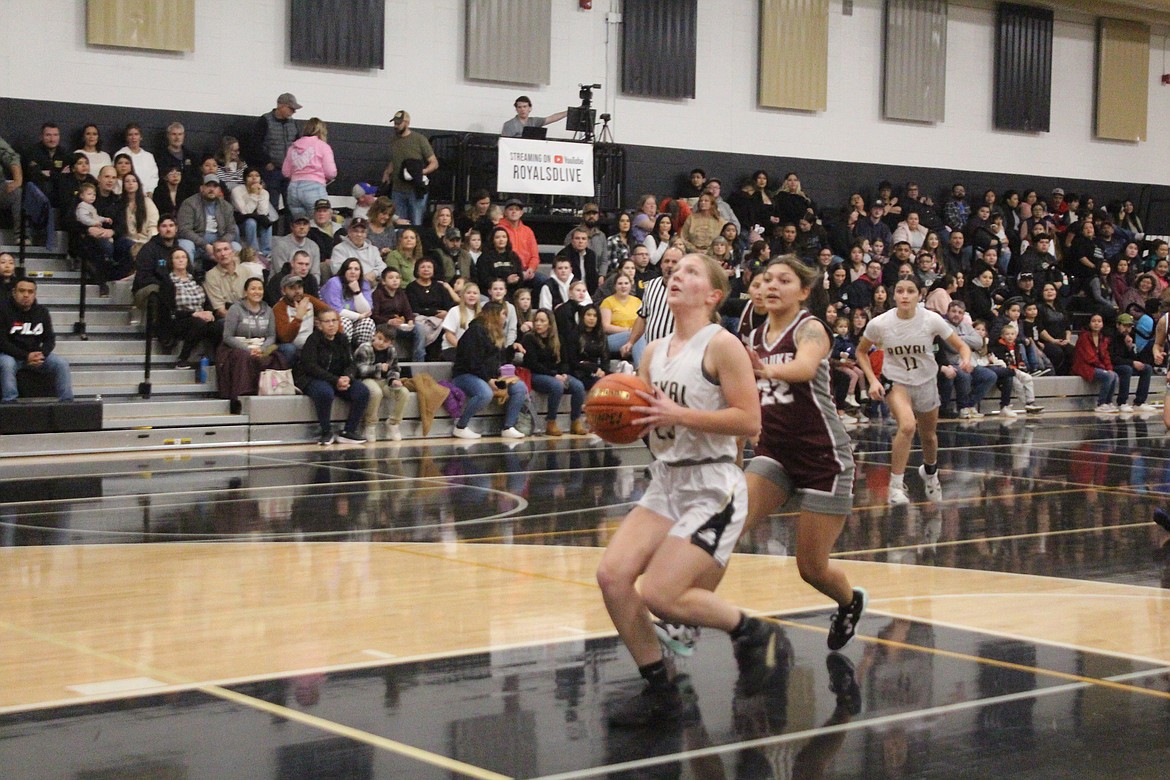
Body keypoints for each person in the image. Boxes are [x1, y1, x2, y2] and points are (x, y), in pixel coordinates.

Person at [594, 252, 764, 728]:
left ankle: (751, 632)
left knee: (663, 594)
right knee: (612, 577)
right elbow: (643, 417)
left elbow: (749, 421)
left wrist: (680, 415)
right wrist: (613, 412)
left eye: (691, 270)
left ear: (712, 295)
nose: (677, 274)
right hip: (667, 479)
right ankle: (660, 690)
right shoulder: (652, 349)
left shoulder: (723, 345)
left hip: (714, 482)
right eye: (675, 268)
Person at [857, 276, 972, 505]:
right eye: (900, 291)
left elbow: (961, 345)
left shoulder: (931, 320)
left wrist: (966, 359)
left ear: (919, 294)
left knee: (929, 436)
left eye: (910, 291)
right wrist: (872, 380)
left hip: (926, 381)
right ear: (894, 295)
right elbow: (861, 352)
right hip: (896, 381)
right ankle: (896, 487)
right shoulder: (880, 323)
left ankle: (930, 474)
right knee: (907, 426)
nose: (905, 296)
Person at [449, 301, 528, 440]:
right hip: (465, 375)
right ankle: (460, 426)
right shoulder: (475, 331)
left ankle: (508, 426)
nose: (505, 318)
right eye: (503, 314)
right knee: (485, 393)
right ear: (494, 315)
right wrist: (488, 379)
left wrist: (511, 349)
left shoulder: (496, 333)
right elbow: (472, 361)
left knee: (519, 387)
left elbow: (500, 360)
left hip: (487, 376)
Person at [294, 309, 369, 445]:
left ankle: (349, 431)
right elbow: (311, 367)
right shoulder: (313, 340)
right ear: (319, 324)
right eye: (327, 321)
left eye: (334, 320)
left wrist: (347, 377)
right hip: (313, 379)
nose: (331, 324)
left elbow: (351, 364)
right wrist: (336, 380)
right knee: (325, 392)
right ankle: (326, 431)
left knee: (362, 392)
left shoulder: (342, 339)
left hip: (338, 379)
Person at [216, 277, 286, 413]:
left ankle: (272, 398)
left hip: (261, 347)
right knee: (244, 359)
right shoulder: (235, 309)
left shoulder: (269, 310)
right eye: (253, 288)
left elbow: (271, 336)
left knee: (278, 358)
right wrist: (248, 349)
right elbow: (227, 336)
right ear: (246, 292)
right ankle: (240, 398)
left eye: (260, 289)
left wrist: (262, 348)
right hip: (237, 347)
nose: (257, 292)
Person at [0, 279, 73, 403]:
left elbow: (50, 339)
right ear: (14, 292)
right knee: (7, 364)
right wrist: (25, 356)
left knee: (61, 363)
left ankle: (66, 403)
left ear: (35, 294)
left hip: (35, 355)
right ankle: (10, 402)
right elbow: (2, 342)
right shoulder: (3, 310)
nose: (26, 295)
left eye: (30, 291)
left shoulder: (42, 312)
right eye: (22, 291)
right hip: (11, 355)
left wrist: (41, 354)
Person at [521, 308, 587, 436]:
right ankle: (551, 422)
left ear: (550, 324)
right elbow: (533, 364)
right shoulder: (529, 339)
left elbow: (564, 361)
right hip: (536, 374)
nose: (538, 324)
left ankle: (575, 421)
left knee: (578, 386)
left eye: (542, 321)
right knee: (556, 386)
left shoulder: (558, 339)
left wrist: (563, 373)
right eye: (536, 321)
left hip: (556, 373)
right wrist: (554, 375)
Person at [158, 247, 221, 368]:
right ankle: (183, 358)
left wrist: (209, 312)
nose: (181, 260)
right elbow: (168, 310)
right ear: (171, 262)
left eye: (183, 257)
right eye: (177, 258)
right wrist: (193, 313)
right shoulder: (168, 282)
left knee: (219, 326)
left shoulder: (195, 279)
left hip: (200, 317)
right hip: (178, 320)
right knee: (199, 323)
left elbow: (206, 302)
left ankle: (216, 360)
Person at [621, 245, 682, 368]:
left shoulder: (688, 289)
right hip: (653, 350)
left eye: (674, 262)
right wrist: (631, 341)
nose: (669, 265)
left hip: (677, 354)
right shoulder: (652, 285)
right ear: (661, 265)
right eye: (666, 261)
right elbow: (642, 316)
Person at [354, 323, 410, 442]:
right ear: (374, 335)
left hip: (384, 381)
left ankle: (393, 423)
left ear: (391, 343)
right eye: (379, 338)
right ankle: (370, 425)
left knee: (403, 392)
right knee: (376, 392)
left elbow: (395, 368)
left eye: (385, 341)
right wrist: (378, 368)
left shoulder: (391, 351)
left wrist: (393, 379)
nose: (380, 343)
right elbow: (360, 370)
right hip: (366, 380)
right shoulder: (364, 348)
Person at [381, 110, 438, 227]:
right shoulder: (394, 140)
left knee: (416, 224)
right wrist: (387, 172)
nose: (396, 126)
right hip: (397, 189)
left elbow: (434, 163)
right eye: (395, 123)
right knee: (399, 224)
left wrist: (420, 173)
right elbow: (395, 159)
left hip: (415, 190)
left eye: (399, 123)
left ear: (407, 123)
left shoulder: (419, 139)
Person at [177, 174, 241, 269]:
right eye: (208, 186)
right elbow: (184, 230)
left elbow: (231, 230)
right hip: (197, 245)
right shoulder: (189, 204)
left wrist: (221, 244)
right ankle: (187, 277)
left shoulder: (226, 206)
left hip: (219, 244)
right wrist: (205, 245)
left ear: (219, 190)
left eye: (215, 186)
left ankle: (232, 279)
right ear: (201, 188)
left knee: (236, 247)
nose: (211, 189)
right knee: (185, 245)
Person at [282, 118, 336, 220]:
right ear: (321, 131)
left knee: (301, 226)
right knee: (321, 224)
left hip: (293, 189)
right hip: (314, 188)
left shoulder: (293, 147)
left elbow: (285, 172)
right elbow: (331, 172)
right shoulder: (323, 146)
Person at [272, 274, 331, 366]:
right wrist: (298, 317)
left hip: (310, 344)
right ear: (283, 291)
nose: (297, 291)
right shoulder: (279, 308)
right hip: (290, 346)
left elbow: (330, 312)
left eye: (299, 287)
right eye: (292, 288)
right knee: (289, 349)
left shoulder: (308, 300)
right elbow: (285, 338)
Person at [254, 92, 303, 201]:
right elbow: (256, 143)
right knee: (272, 202)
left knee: (291, 203)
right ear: (281, 106)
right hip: (272, 171)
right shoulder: (264, 121)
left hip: (289, 170)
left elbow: (297, 143)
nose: (293, 112)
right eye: (291, 108)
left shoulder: (292, 123)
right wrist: (266, 162)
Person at [321, 257, 376, 347]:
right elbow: (335, 310)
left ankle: (360, 354)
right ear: (344, 271)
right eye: (349, 269)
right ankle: (344, 353)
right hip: (334, 318)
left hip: (355, 319)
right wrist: (358, 316)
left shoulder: (364, 283)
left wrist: (357, 292)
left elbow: (366, 311)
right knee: (345, 323)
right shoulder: (334, 282)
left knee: (368, 323)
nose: (353, 272)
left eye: (356, 269)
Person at [1072, 313, 1120, 413]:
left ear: (1102, 324)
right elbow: (1089, 358)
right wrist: (1104, 369)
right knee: (1108, 376)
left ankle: (1108, 402)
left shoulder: (1103, 338)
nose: (1096, 324)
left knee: (1114, 375)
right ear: (1089, 324)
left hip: (1097, 366)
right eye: (1094, 321)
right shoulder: (1084, 337)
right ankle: (1101, 403)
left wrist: (1109, 368)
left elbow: (1106, 356)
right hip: (1084, 366)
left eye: (1099, 321)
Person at [1108, 313, 1156, 413]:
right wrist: (1132, 362)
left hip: (1125, 363)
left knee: (1146, 368)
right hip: (1112, 365)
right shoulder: (1111, 337)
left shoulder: (1128, 338)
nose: (1127, 329)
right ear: (1118, 325)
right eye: (1124, 326)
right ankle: (1122, 402)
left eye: (1129, 326)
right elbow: (1113, 358)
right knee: (1127, 369)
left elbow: (1133, 357)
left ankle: (1139, 402)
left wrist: (1130, 348)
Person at [231, 167, 274, 256]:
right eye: (250, 176)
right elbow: (245, 212)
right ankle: (254, 252)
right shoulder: (237, 191)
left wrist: (259, 194)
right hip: (240, 221)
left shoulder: (264, 192)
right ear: (245, 179)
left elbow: (263, 213)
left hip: (258, 219)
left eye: (257, 176)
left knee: (267, 223)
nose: (254, 178)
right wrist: (254, 195)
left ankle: (267, 253)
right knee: (251, 222)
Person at [328, 217, 385, 283]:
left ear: (366, 234)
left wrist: (374, 273)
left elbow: (382, 266)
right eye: (356, 231)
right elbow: (337, 270)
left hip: (372, 284)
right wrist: (361, 277)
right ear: (349, 232)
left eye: (362, 232)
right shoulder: (339, 249)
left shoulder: (373, 249)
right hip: (349, 285)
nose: (359, 234)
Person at [270, 215, 321, 283]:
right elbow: (280, 272)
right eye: (298, 224)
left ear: (309, 227)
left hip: (305, 285)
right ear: (292, 226)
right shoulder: (281, 245)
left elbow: (315, 273)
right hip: (281, 285)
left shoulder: (314, 246)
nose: (302, 227)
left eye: (305, 224)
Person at [600, 272, 641, 355]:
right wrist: (629, 330)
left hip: (633, 337)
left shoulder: (637, 301)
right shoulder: (607, 302)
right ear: (615, 286)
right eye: (620, 283)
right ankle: (640, 367)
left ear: (630, 285)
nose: (623, 286)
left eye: (626, 283)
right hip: (613, 338)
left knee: (639, 336)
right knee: (637, 336)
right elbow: (606, 327)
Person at [114, 124, 158, 195]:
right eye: (130, 135)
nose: (133, 137)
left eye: (136, 134)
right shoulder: (120, 154)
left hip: (146, 195)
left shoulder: (149, 156)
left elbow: (154, 176)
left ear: (141, 137)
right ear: (127, 137)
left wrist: (150, 191)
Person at [501, 95, 568, 136]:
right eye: (519, 107)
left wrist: (568, 112)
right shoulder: (509, 124)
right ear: (516, 109)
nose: (522, 109)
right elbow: (504, 144)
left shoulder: (534, 121)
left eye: (525, 107)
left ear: (530, 108)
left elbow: (552, 118)